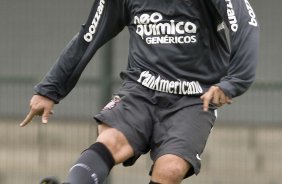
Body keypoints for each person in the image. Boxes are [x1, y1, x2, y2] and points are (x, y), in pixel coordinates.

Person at [20, 0, 259, 183]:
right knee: (111, 140)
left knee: (170, 170)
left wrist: (232, 83)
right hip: (141, 89)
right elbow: (88, 35)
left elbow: (246, 24)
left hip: (195, 98)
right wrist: (50, 89)